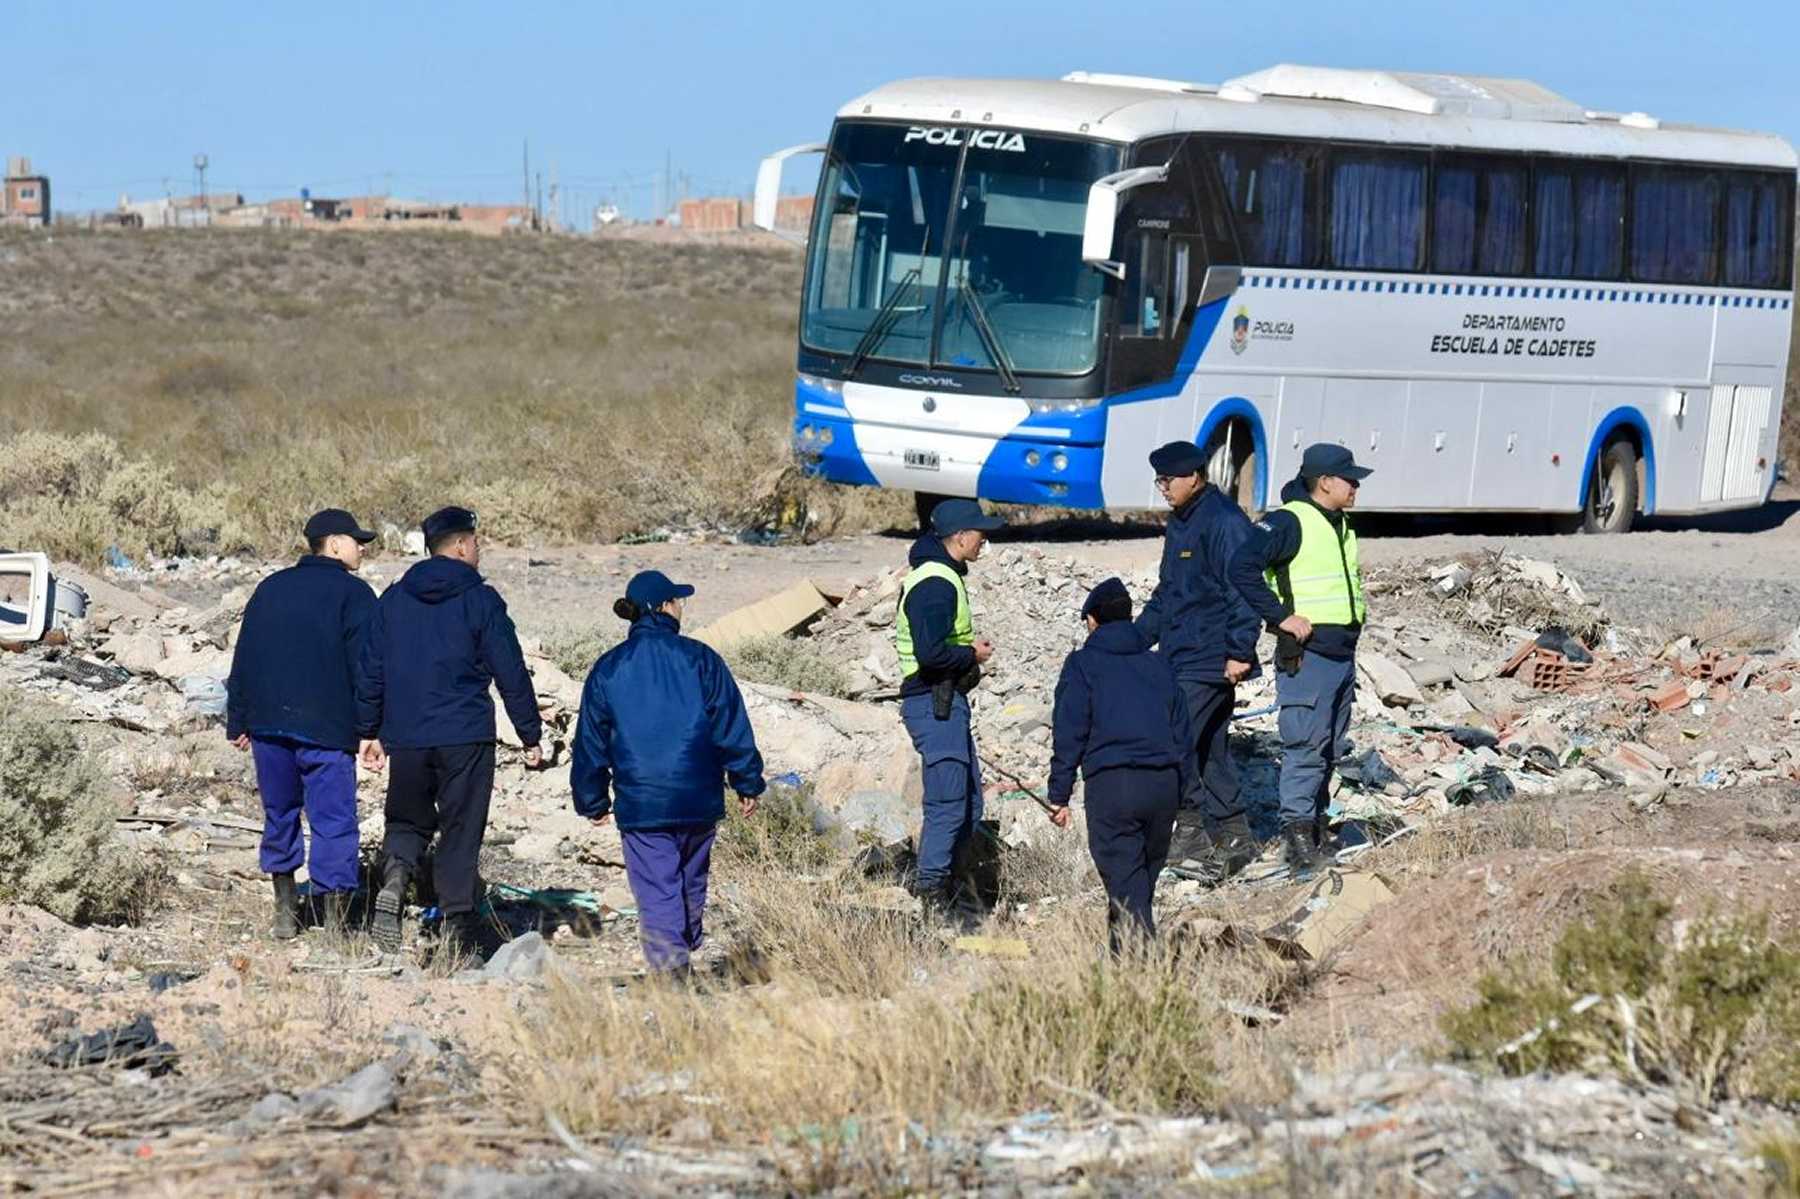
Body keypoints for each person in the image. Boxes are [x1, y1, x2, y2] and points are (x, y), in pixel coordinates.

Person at [356, 506, 542, 954]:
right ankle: (459, 926)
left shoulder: (395, 599)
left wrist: (369, 729)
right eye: (476, 542)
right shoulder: (482, 600)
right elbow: (509, 670)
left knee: (406, 817)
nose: (479, 549)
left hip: (408, 734)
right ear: (460, 545)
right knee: (461, 826)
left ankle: (397, 877)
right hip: (465, 734)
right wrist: (530, 733)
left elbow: (371, 668)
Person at [570, 570, 765, 979]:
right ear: (662, 607)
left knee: (659, 887)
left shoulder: (608, 668)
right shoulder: (701, 659)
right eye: (677, 601)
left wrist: (592, 798)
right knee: (691, 880)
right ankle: (683, 947)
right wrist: (746, 780)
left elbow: (590, 741)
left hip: (642, 803)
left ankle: (672, 971)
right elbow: (730, 724)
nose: (682, 608)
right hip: (698, 798)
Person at [226, 509, 381, 939]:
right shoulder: (355, 595)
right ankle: (333, 925)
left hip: (268, 726)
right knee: (334, 822)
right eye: (356, 540)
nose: (362, 546)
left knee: (280, 814)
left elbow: (246, 656)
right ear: (334, 543)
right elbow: (367, 668)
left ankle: (284, 915)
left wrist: (238, 718)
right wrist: (371, 728)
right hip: (329, 731)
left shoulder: (270, 588)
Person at [1227, 444, 1372, 877]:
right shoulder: (1290, 520)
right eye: (1349, 478)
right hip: (1308, 657)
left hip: (1341, 656)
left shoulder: (1340, 523)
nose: (1356, 486)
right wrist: (1279, 617)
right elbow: (1242, 567)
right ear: (1324, 481)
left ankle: (1317, 828)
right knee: (1305, 747)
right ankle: (1297, 841)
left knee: (1327, 747)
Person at [1136, 439, 1264, 883]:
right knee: (1209, 750)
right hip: (1180, 653)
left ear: (1194, 476)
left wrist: (1239, 651)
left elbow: (1245, 589)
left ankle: (1187, 833)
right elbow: (1168, 592)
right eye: (1159, 481)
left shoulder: (1225, 522)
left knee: (1175, 743)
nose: (1163, 488)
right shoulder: (1181, 522)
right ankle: (1235, 836)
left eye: (1168, 480)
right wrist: (1133, 639)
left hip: (1211, 658)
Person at [1045, 578, 1192, 954]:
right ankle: (1119, 959)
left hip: (1114, 787)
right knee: (1139, 882)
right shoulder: (1159, 664)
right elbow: (1182, 732)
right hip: (1163, 786)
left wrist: (1059, 794)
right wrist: (1185, 792)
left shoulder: (1082, 665)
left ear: (1092, 621)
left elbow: (1069, 730)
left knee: (1126, 885)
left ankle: (1144, 975)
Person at [896, 497, 1003, 917]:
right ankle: (934, 895)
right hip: (932, 703)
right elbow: (931, 654)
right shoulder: (936, 582)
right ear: (959, 538)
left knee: (969, 801)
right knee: (947, 801)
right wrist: (971, 655)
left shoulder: (943, 575)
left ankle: (957, 886)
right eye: (980, 533)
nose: (984, 541)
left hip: (944, 703)